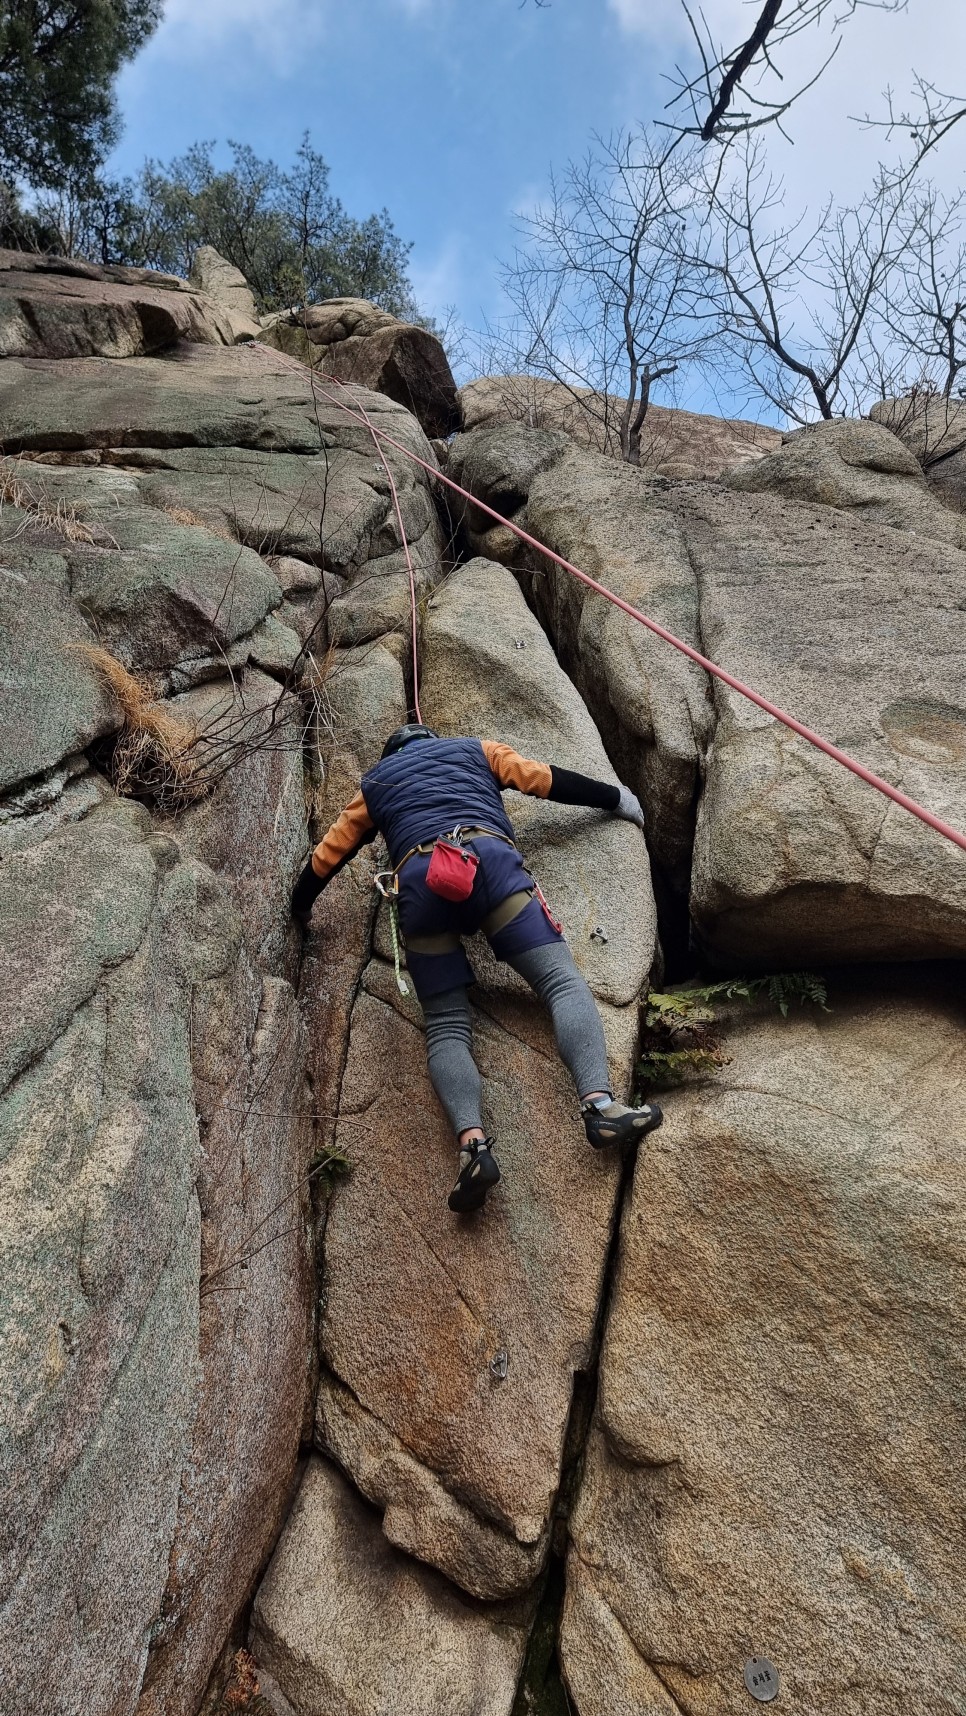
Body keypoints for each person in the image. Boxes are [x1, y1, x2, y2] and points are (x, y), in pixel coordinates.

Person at [291, 724, 662, 1213]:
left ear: (392, 753)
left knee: (446, 1026)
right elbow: (545, 780)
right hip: (487, 862)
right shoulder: (476, 751)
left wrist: (298, 910)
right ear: (431, 739)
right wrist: (618, 799)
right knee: (560, 983)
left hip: (422, 885)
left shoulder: (375, 784)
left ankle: (473, 1149)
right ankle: (600, 1107)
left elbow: (327, 857)